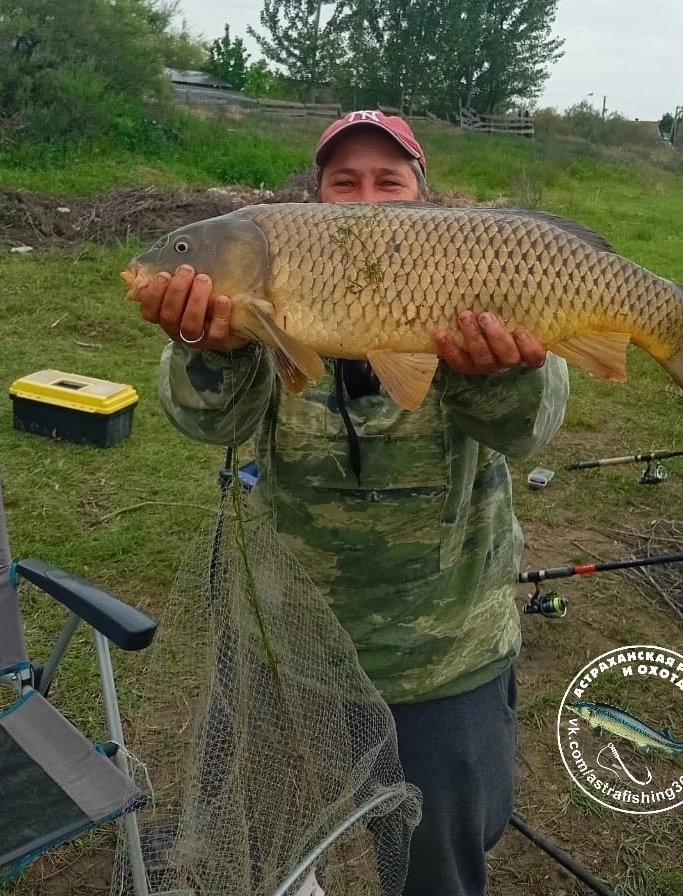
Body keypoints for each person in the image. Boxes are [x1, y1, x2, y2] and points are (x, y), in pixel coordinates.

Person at [137, 110, 570, 896]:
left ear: (422, 195)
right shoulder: (263, 297)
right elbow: (209, 424)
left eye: (388, 182)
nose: (365, 200)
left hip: (443, 645)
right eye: (344, 183)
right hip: (288, 633)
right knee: (255, 841)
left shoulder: (473, 263)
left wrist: (495, 371)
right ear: (312, 201)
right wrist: (212, 349)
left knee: (439, 863)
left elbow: (530, 429)